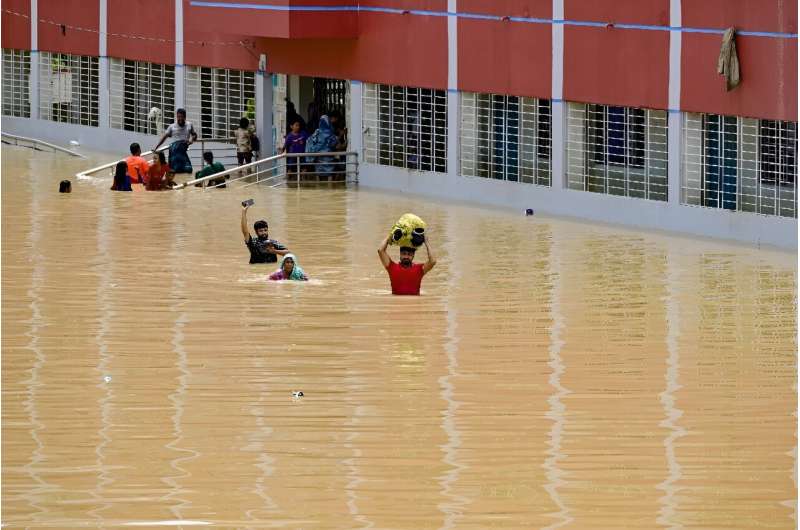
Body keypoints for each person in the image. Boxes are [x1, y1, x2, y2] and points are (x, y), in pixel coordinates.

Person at [153, 108, 197, 174]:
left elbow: (194, 135)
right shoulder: (172, 126)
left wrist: (191, 139)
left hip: (183, 149)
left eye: (182, 117)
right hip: (174, 150)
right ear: (176, 117)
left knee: (188, 169)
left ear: (185, 117)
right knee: (174, 170)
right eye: (178, 117)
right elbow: (164, 137)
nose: (180, 119)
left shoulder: (189, 125)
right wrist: (156, 147)